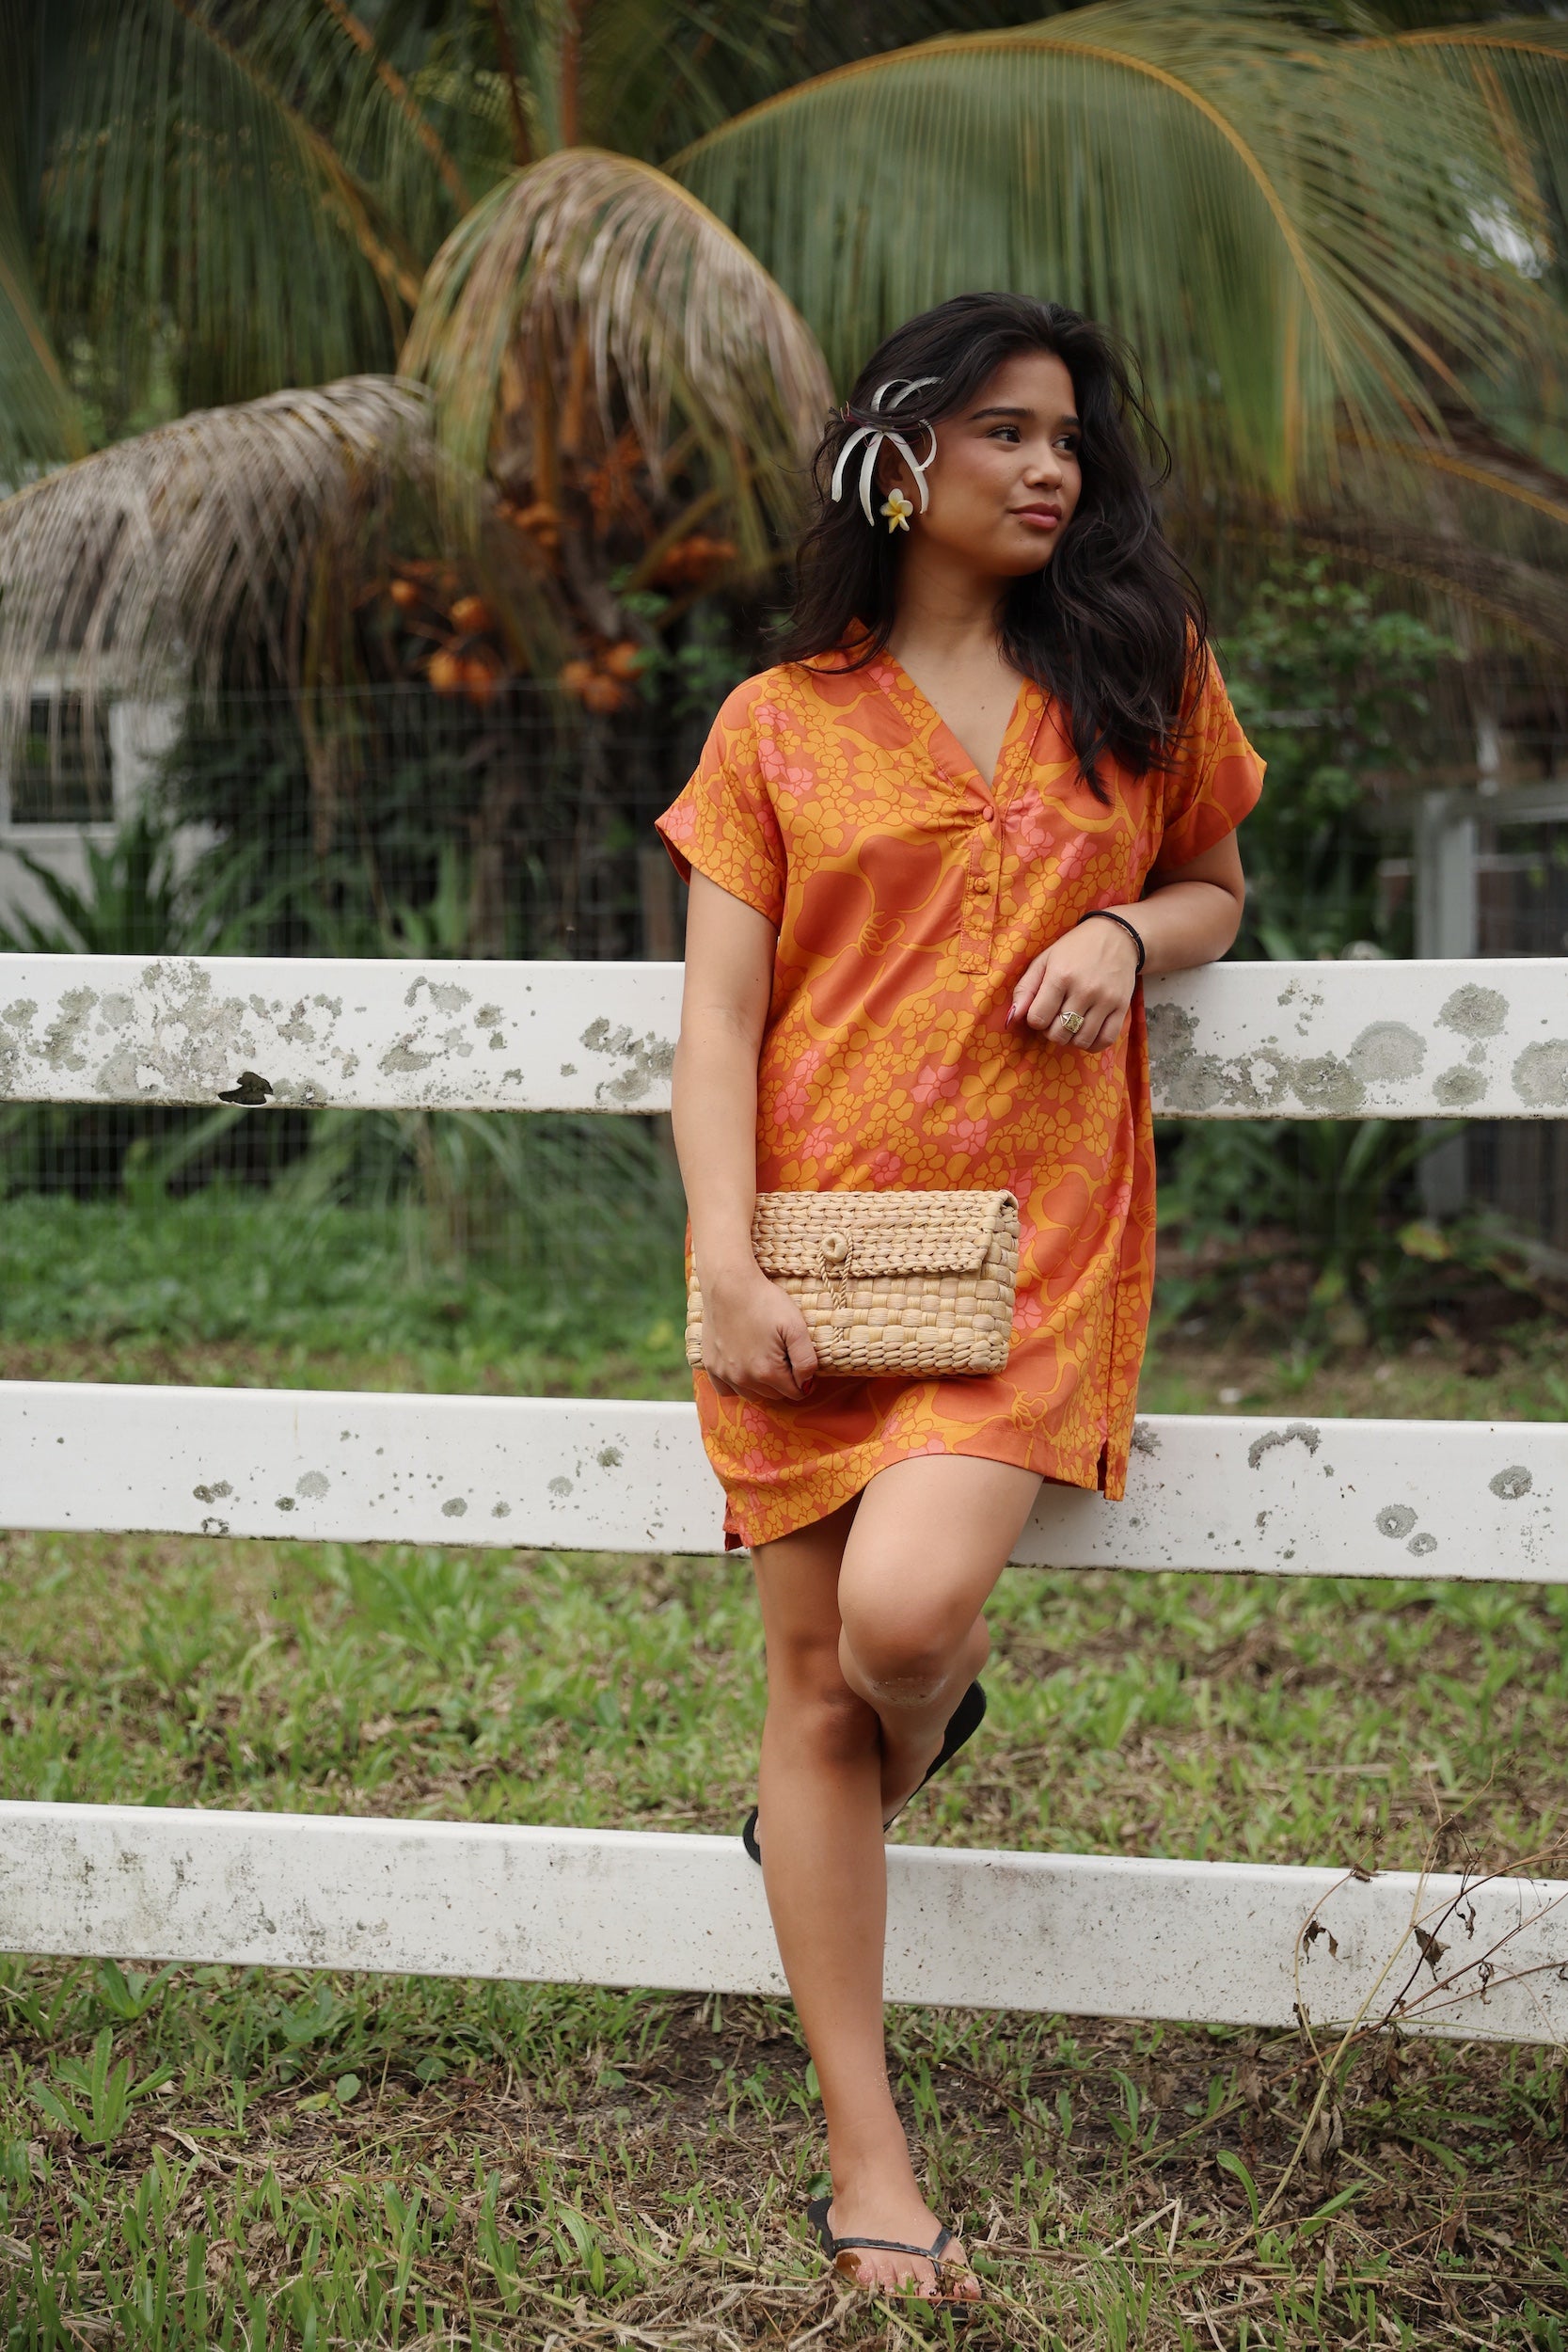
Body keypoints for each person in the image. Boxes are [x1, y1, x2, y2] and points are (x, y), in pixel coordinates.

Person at [655, 292, 1262, 2308]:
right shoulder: (774, 722)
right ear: (896, 457)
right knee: (809, 1691)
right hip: (814, 1270)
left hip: (1040, 1246)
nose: (1051, 466)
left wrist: (1126, 923)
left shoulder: (1135, 673)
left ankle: (889, 1751)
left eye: (1068, 437)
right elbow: (719, 1022)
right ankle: (867, 2148)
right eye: (1004, 430)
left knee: (899, 1626)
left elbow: (1222, 882)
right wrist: (724, 1266)